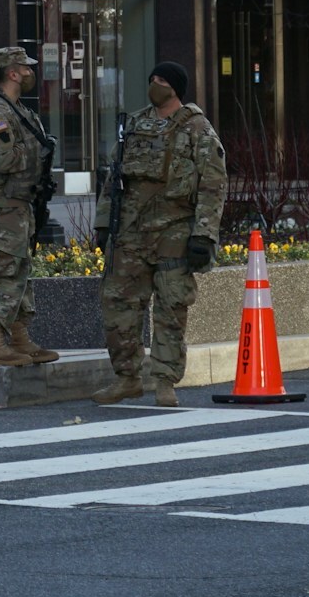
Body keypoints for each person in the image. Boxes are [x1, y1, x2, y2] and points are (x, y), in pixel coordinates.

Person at [92, 62, 228, 407]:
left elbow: (213, 186)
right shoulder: (134, 124)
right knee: (118, 305)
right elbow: (114, 177)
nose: (155, 85)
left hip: (174, 231)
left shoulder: (197, 128)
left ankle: (165, 381)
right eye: (152, 79)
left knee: (171, 309)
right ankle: (126, 377)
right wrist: (104, 223)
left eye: (162, 81)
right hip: (131, 232)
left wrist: (204, 235)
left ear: (176, 88)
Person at [0, 47, 62, 368]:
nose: (29, 73)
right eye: (25, 68)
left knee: (20, 274)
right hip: (0, 209)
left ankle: (20, 339)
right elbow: (2, 158)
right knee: (5, 274)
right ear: (12, 72)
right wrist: (33, 151)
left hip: (17, 207)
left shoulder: (17, 109)